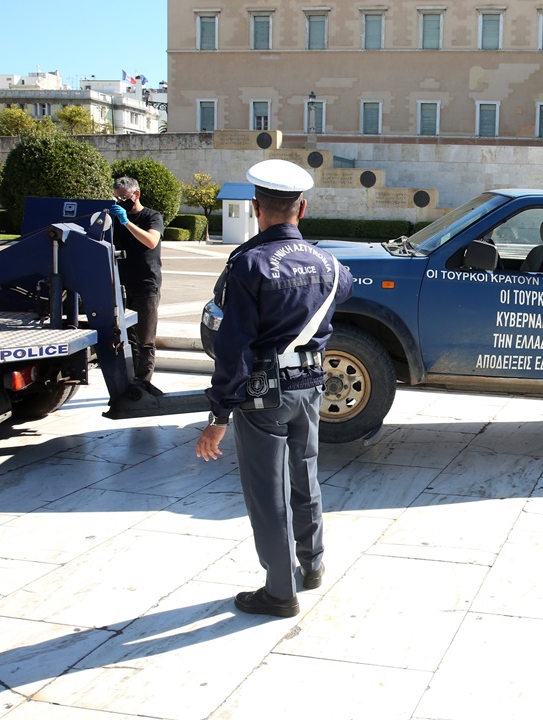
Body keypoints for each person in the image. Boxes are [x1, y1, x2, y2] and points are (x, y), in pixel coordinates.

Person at [196, 159, 353, 618]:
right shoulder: (328, 261)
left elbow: (234, 348)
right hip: (309, 386)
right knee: (305, 475)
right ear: (302, 208)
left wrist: (218, 416)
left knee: (268, 493)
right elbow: (340, 292)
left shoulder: (248, 264)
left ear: (254, 207)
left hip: (264, 393)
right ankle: (313, 564)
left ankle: (279, 592)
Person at [109, 177, 165, 388]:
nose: (121, 201)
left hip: (146, 284)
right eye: (117, 197)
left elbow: (151, 241)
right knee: (126, 337)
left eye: (124, 196)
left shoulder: (152, 216)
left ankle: (144, 383)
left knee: (145, 337)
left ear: (136, 194)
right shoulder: (115, 218)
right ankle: (128, 379)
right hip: (122, 285)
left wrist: (127, 223)